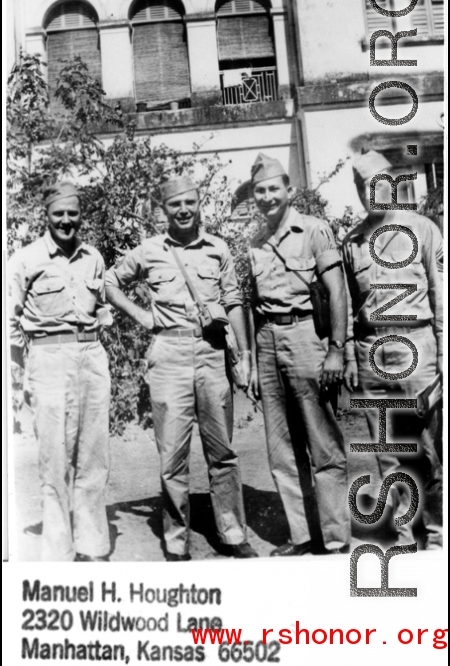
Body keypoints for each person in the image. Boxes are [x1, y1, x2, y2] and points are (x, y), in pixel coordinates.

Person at [105, 176, 258, 561]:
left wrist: (243, 352)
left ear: (199, 203)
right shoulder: (149, 250)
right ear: (164, 210)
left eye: (190, 202)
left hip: (211, 352)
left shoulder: (217, 248)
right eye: (175, 205)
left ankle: (232, 532)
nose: (184, 210)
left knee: (222, 450)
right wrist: (141, 316)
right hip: (168, 353)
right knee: (172, 455)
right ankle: (176, 541)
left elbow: (234, 300)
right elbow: (109, 282)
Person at [248, 153, 351, 556]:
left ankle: (336, 537)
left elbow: (337, 290)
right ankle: (302, 535)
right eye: (260, 190)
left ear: (289, 190)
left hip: (306, 335)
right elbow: (254, 302)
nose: (267, 197)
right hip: (268, 339)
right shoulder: (255, 242)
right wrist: (256, 361)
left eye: (274, 188)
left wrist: (337, 350)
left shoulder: (313, 230)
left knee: (322, 442)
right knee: (281, 446)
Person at [342, 150, 443, 549]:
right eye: (363, 186)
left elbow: (442, 298)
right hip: (371, 351)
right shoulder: (352, 242)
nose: (372, 192)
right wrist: (351, 356)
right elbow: (350, 307)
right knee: (388, 455)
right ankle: (404, 537)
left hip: (417, 349)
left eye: (378, 183)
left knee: (427, 452)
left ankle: (436, 537)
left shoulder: (423, 229)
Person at [8, 181, 112, 561]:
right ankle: (58, 551)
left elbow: (100, 307)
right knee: (54, 458)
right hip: (48, 360)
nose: (66, 221)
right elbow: (10, 320)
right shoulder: (24, 260)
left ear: (80, 215)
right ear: (46, 216)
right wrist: (24, 368)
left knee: (93, 454)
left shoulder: (94, 257)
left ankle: (93, 544)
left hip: (91, 356)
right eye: (59, 214)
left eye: (73, 213)